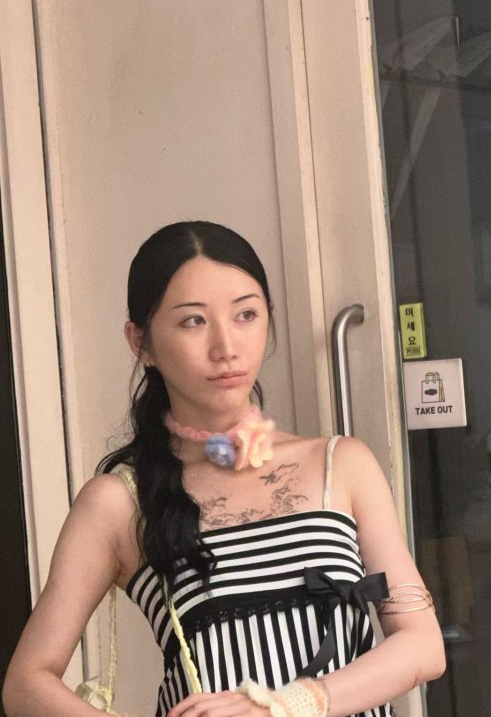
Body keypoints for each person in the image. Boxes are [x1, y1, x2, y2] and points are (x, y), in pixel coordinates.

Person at [3, 221, 445, 717]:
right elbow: (25, 685)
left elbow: (423, 644)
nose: (226, 346)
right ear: (140, 342)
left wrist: (289, 704)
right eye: (193, 321)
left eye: (246, 314)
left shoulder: (341, 464)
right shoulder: (121, 500)